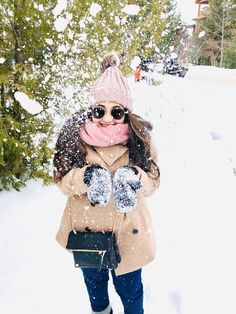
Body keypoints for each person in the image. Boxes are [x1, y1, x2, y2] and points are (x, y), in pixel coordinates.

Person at [53, 52, 160, 314]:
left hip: (128, 235)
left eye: (117, 111)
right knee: (96, 290)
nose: (108, 118)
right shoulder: (74, 138)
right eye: (100, 110)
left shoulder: (139, 140)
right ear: (91, 109)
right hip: (87, 234)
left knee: (132, 293)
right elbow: (61, 182)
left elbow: (154, 181)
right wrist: (85, 178)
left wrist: (136, 178)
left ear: (127, 112)